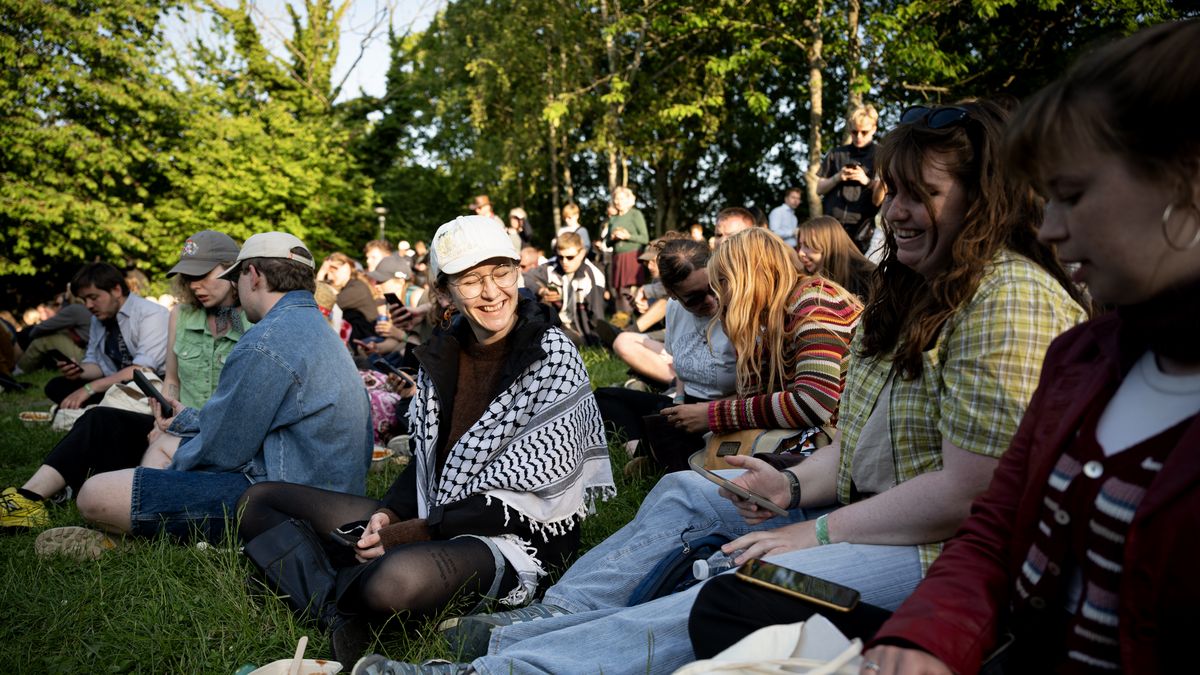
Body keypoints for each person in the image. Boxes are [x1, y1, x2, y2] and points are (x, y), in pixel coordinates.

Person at [357, 99, 1091, 675]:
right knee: (686, 491)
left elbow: (968, 495)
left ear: (985, 199)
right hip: (874, 510)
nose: (893, 210)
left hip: (948, 551)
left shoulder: (1005, 297)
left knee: (749, 578)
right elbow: (863, 443)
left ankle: (517, 665)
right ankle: (552, 618)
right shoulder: (913, 292)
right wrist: (791, 487)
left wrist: (814, 525)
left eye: (919, 194)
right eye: (892, 190)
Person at [847, 21, 1200, 675]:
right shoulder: (1083, 359)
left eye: (1071, 195)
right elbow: (998, 529)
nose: (1049, 228)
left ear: (1188, 181)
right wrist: (927, 637)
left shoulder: (1014, 297)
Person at [237, 216, 614, 663]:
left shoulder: (550, 354)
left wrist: (407, 534)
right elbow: (427, 459)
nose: (492, 293)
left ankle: (324, 579)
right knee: (258, 501)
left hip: (513, 539)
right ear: (444, 291)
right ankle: (340, 611)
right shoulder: (445, 349)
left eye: (502, 273)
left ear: (518, 271)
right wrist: (387, 514)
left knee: (391, 580)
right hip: (435, 506)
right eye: (471, 281)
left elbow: (526, 500)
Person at [35, 232, 372, 548]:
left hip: (286, 502)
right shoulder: (315, 328)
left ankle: (130, 531)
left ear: (253, 275)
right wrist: (183, 425)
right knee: (165, 444)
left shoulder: (265, 341)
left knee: (95, 494)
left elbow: (224, 451)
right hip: (324, 490)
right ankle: (141, 522)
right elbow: (245, 421)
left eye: (235, 276)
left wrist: (175, 474)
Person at [1, 231, 248, 533]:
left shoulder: (252, 319)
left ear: (233, 269)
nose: (195, 284)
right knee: (99, 419)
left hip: (218, 439)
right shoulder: (181, 315)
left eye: (203, 274)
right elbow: (171, 378)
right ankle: (28, 498)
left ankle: (87, 489)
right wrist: (162, 419)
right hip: (177, 425)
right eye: (188, 276)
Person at [594, 236, 738, 470]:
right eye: (694, 298)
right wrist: (679, 400)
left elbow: (757, 393)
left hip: (724, 412)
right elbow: (682, 366)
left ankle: (656, 455)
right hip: (687, 406)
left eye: (713, 287)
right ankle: (639, 450)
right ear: (672, 294)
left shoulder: (737, 309)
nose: (710, 301)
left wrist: (708, 414)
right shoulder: (673, 309)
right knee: (606, 397)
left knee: (696, 450)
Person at [43, 262, 169, 409]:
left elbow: (142, 370)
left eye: (93, 297)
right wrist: (79, 371)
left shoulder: (151, 313)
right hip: (114, 382)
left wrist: (90, 388)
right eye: (84, 300)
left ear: (116, 290)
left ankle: (103, 409)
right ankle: (105, 407)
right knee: (56, 386)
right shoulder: (97, 319)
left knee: (135, 388)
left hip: (149, 384)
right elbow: (96, 365)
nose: (88, 305)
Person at [817, 104, 886, 252]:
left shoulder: (881, 155)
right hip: (832, 225)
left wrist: (865, 180)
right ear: (849, 129)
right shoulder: (836, 153)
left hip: (863, 229)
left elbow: (883, 195)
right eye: (854, 132)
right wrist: (837, 177)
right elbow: (819, 189)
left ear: (874, 129)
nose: (858, 136)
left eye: (864, 132)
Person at [525, 232, 607, 346]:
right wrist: (541, 291)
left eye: (570, 257)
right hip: (553, 323)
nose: (564, 262)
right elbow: (525, 278)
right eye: (560, 257)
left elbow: (597, 317)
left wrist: (597, 342)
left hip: (578, 331)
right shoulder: (551, 267)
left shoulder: (594, 277)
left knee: (557, 339)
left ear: (582, 253)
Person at [795, 215, 877, 301]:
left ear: (829, 245)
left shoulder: (868, 279)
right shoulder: (804, 279)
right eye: (800, 246)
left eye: (807, 245)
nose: (800, 253)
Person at [605, 186, 650, 314]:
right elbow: (607, 243)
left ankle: (639, 319)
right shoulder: (613, 219)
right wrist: (613, 238)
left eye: (621, 198)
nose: (618, 201)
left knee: (631, 291)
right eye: (615, 198)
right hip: (617, 258)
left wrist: (627, 236)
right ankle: (622, 319)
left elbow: (645, 238)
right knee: (619, 291)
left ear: (628, 199)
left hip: (633, 257)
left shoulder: (635, 214)